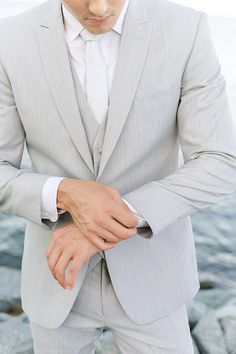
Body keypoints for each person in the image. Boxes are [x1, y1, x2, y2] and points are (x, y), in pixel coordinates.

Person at [0, 0, 236, 352]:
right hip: (56, 284)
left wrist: (107, 220)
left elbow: (220, 161)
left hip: (155, 282)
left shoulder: (187, 30)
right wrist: (64, 193)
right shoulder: (9, 39)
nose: (97, 8)